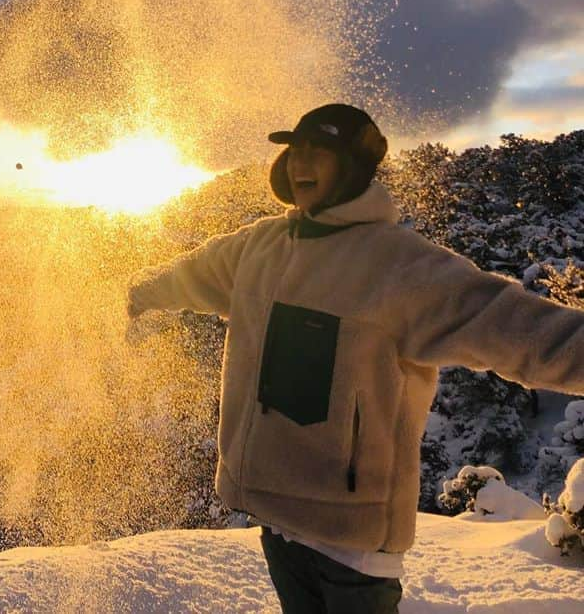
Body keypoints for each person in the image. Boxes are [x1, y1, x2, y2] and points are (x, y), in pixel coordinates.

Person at [126, 104, 584, 614]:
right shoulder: (260, 246)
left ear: (354, 168)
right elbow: (191, 275)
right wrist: (134, 293)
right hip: (277, 520)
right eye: (296, 150)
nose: (302, 163)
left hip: (353, 546)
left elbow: (519, 328)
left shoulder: (398, 265)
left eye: (320, 152)